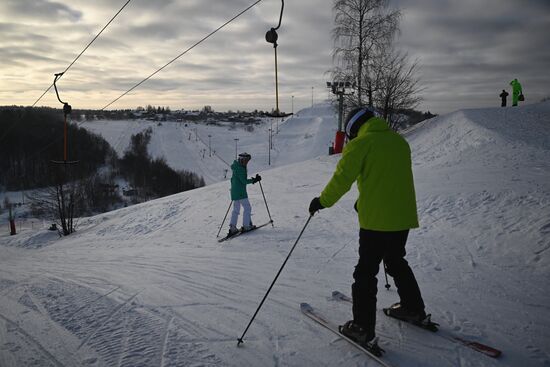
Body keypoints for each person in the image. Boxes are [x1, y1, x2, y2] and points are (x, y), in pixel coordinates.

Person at [309, 107, 427, 351]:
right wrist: (363, 202)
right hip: (402, 218)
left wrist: (322, 201)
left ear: (354, 128)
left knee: (365, 273)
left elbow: (342, 180)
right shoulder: (399, 142)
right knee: (396, 261)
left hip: (376, 223)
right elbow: (387, 179)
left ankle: (362, 328)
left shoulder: (361, 144)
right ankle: (413, 307)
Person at [228, 152, 261, 236]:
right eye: (246, 160)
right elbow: (244, 181)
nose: (247, 162)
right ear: (242, 160)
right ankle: (246, 225)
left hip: (234, 192)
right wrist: (254, 180)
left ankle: (233, 227)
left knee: (236, 209)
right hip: (241, 192)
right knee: (247, 208)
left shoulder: (236, 167)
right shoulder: (240, 168)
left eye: (248, 161)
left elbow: (233, 180)